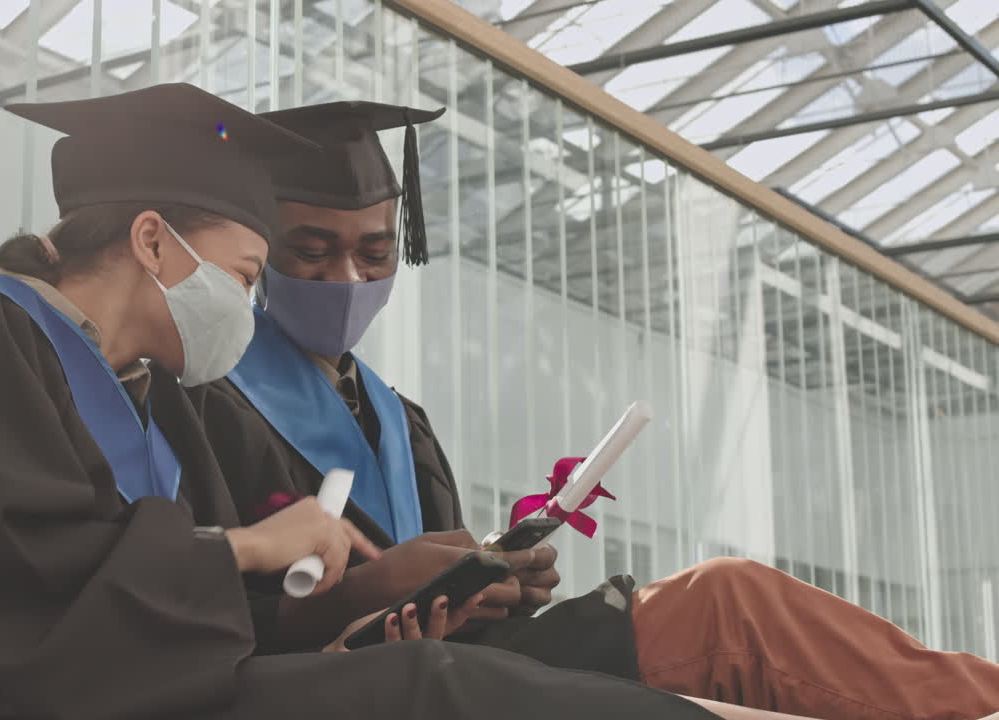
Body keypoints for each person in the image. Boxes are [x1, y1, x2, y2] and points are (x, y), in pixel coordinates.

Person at [0, 83, 725, 720]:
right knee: (435, 695)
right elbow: (16, 595)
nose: (248, 308)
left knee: (425, 675)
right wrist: (249, 546)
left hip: (121, 697)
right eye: (251, 273)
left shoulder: (155, 400)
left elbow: (201, 623)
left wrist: (361, 617)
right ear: (155, 244)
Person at [184, 100, 999, 720]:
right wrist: (368, 593)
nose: (348, 280)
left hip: (470, 660)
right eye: (311, 251)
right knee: (725, 607)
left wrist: (504, 578)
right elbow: (203, 620)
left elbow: (451, 599)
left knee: (728, 590)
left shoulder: (401, 420)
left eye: (374, 251)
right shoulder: (209, 403)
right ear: (261, 249)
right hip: (358, 684)